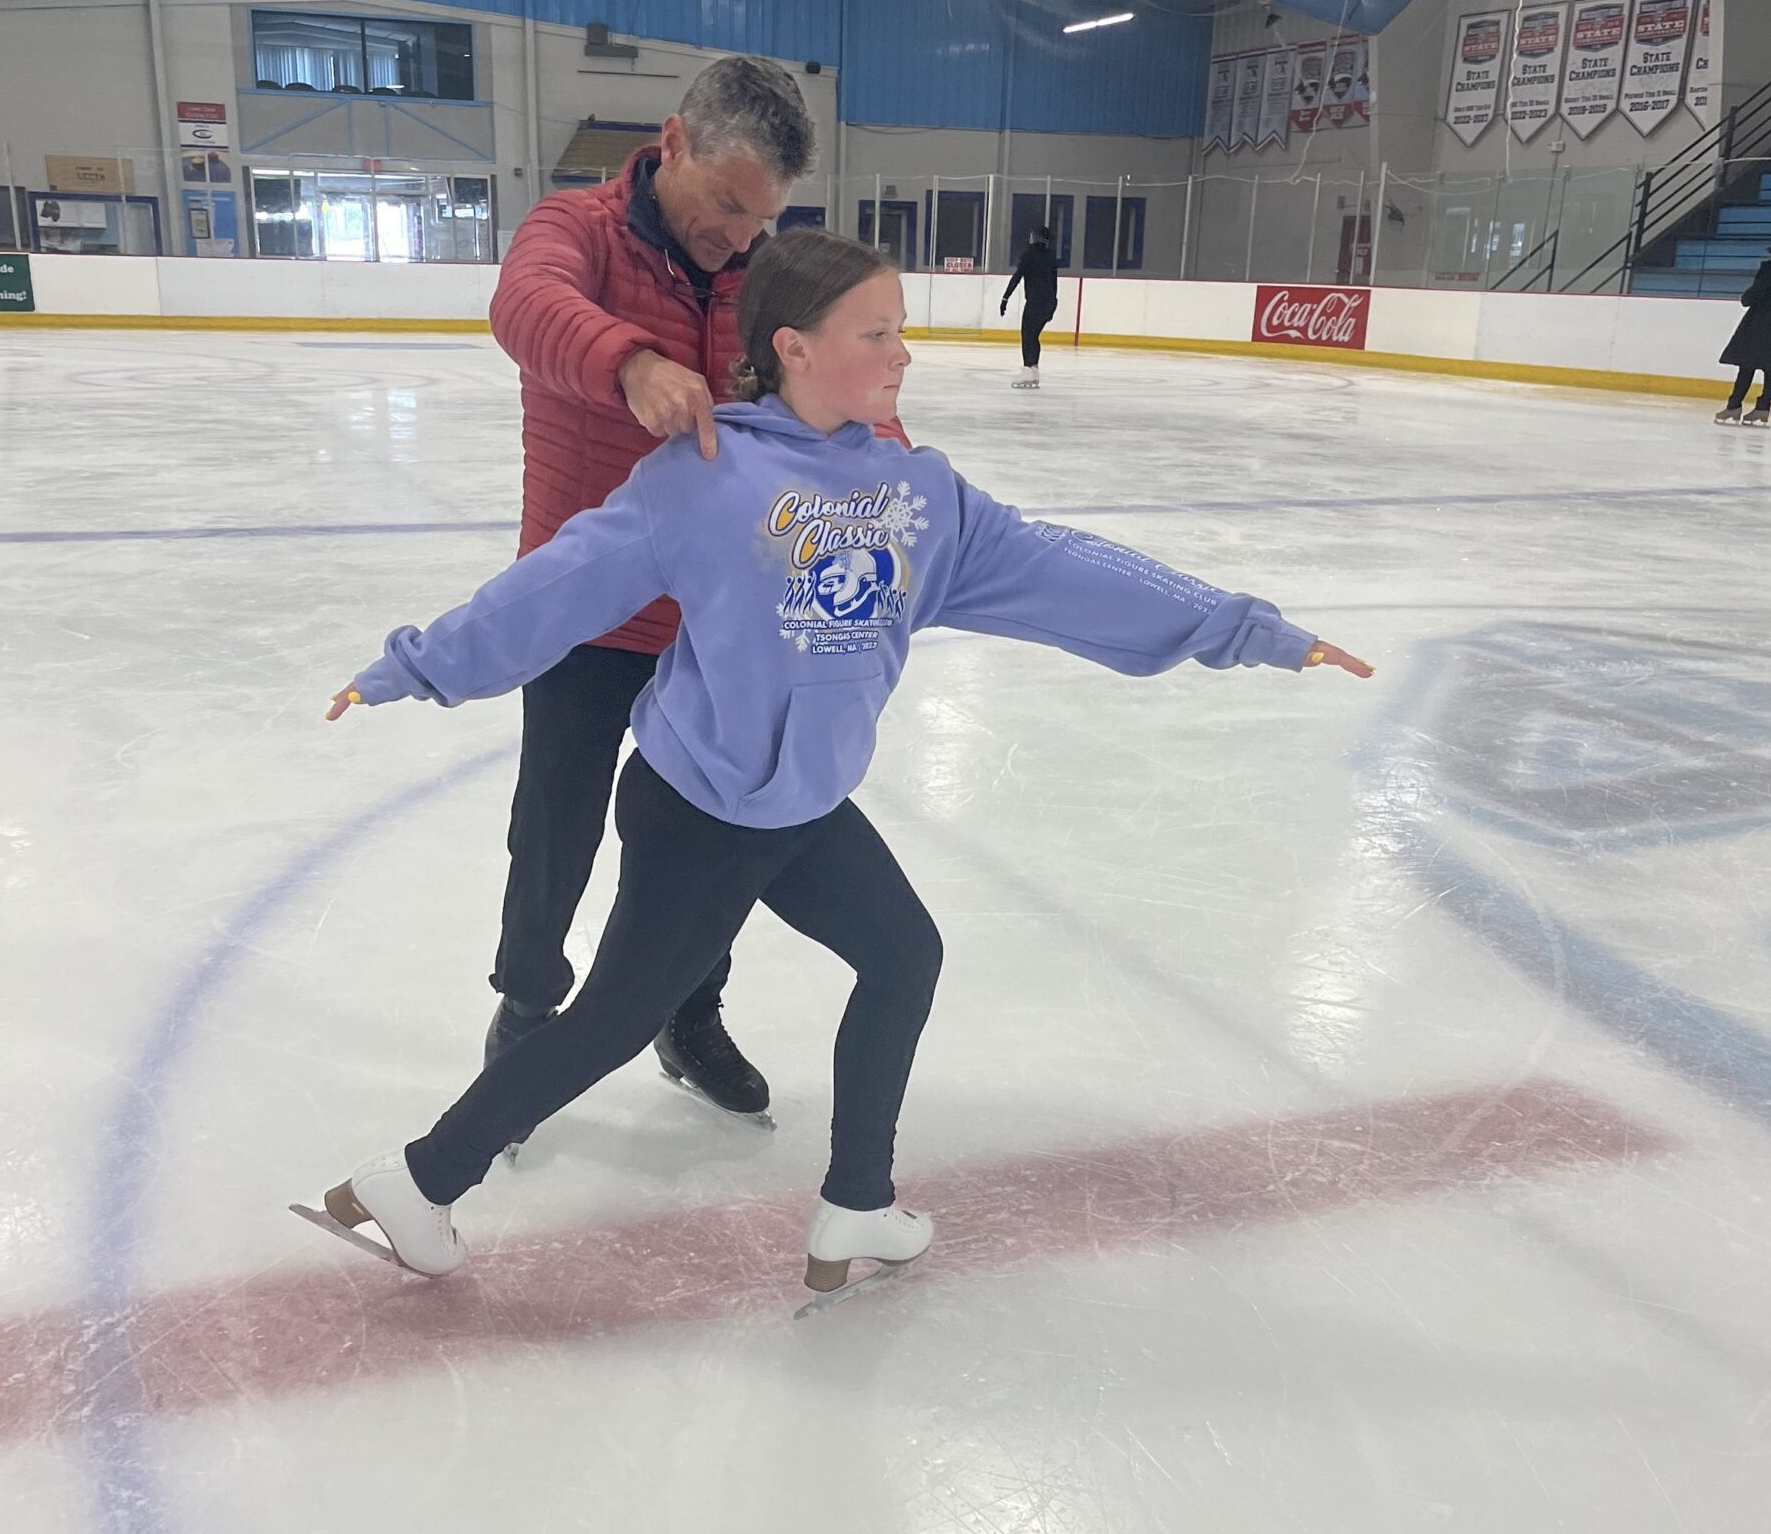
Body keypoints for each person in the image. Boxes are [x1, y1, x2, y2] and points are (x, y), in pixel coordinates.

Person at [310, 231, 1372, 1297]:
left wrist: (1244, 628)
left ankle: (858, 1197)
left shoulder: (918, 496)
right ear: (796, 347)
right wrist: (416, 665)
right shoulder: (706, 479)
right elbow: (555, 588)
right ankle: (421, 1177)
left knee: (904, 955)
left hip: (803, 805)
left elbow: (1065, 570)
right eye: (878, 331)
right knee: (616, 1022)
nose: (903, 352)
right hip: (701, 808)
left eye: (900, 327)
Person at [483, 52, 817, 1119]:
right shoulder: (575, 229)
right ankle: (528, 1010)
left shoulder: (764, 275)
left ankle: (690, 1011)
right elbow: (525, 306)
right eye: (725, 203)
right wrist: (630, 363)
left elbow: (826, 391)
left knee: (704, 843)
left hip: (715, 625)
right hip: (585, 610)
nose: (736, 233)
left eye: (757, 215)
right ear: (671, 142)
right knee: (555, 833)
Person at [1716, 237, 1771, 425]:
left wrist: (1746, 298)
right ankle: (1763, 408)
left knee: (1746, 366)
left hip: (1760, 323)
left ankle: (1734, 406)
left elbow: (1752, 296)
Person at [1000, 226, 1058, 390]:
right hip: (1047, 303)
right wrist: (1053, 304)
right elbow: (1054, 283)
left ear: (1036, 237)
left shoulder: (1030, 254)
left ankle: (1027, 370)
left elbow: (1017, 276)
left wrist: (1005, 297)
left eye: (1031, 236)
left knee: (1027, 335)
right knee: (1034, 336)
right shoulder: (1050, 256)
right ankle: (1034, 371)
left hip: (1035, 302)